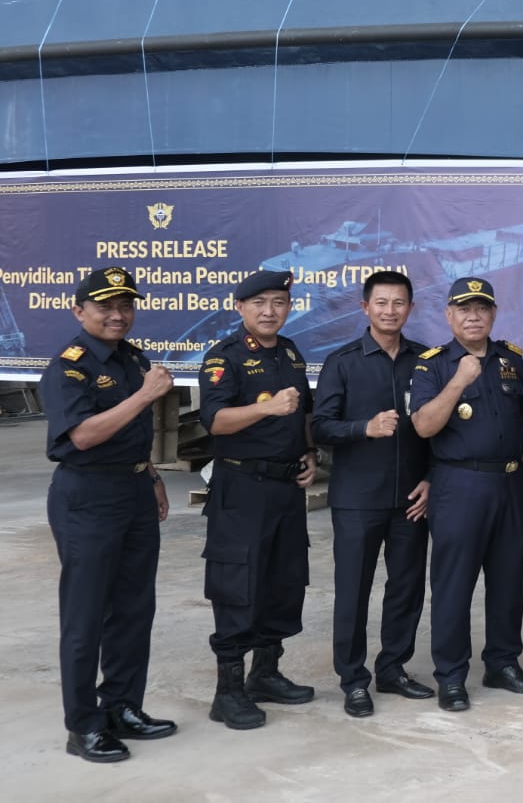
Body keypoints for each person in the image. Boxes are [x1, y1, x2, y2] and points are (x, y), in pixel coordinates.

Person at [41, 267, 177, 763]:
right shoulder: (69, 367)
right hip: (89, 496)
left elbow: (132, 433)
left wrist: (152, 475)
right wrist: (144, 395)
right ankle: (83, 726)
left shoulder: (132, 358)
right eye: (105, 307)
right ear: (79, 311)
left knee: (134, 608)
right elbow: (82, 436)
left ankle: (122, 706)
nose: (118, 315)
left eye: (125, 306)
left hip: (134, 490)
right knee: (86, 616)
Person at [409, 276, 523, 713]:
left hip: (510, 483)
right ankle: (451, 676)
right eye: (464, 309)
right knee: (454, 584)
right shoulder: (433, 365)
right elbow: (423, 426)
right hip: (460, 485)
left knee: (508, 580)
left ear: (493, 314)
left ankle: (502, 663)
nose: (473, 316)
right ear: (449, 315)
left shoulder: (510, 359)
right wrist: (459, 380)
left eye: (482, 308)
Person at [197, 269, 318, 731]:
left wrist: (309, 452)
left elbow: (303, 413)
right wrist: (266, 407)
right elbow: (215, 421)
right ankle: (227, 693)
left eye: (279, 303)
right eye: (259, 303)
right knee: (237, 583)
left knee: (282, 581)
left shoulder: (290, 351)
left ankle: (265, 673)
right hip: (242, 489)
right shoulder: (224, 356)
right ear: (240, 307)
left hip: (285, 488)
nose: (270, 311)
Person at [311, 270, 434, 718]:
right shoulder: (342, 362)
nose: (390, 311)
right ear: (365, 308)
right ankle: (353, 680)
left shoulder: (425, 361)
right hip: (357, 500)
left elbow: (440, 430)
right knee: (353, 591)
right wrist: (364, 428)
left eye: (399, 303)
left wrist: (432, 478)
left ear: (411, 308)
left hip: (411, 498)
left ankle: (393, 668)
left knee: (406, 588)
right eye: (381, 303)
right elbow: (320, 427)